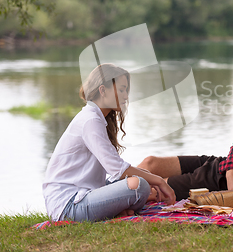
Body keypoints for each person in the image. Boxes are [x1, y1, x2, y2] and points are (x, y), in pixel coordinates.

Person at [43, 63, 176, 222]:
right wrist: (160, 181)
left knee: (139, 182)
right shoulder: (90, 120)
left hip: (83, 193)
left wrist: (152, 177)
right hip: (68, 205)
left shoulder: (96, 117)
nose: (126, 96)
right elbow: (117, 169)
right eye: (121, 90)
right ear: (102, 90)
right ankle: (115, 210)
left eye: (126, 90)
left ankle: (115, 211)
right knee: (139, 186)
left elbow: (115, 172)